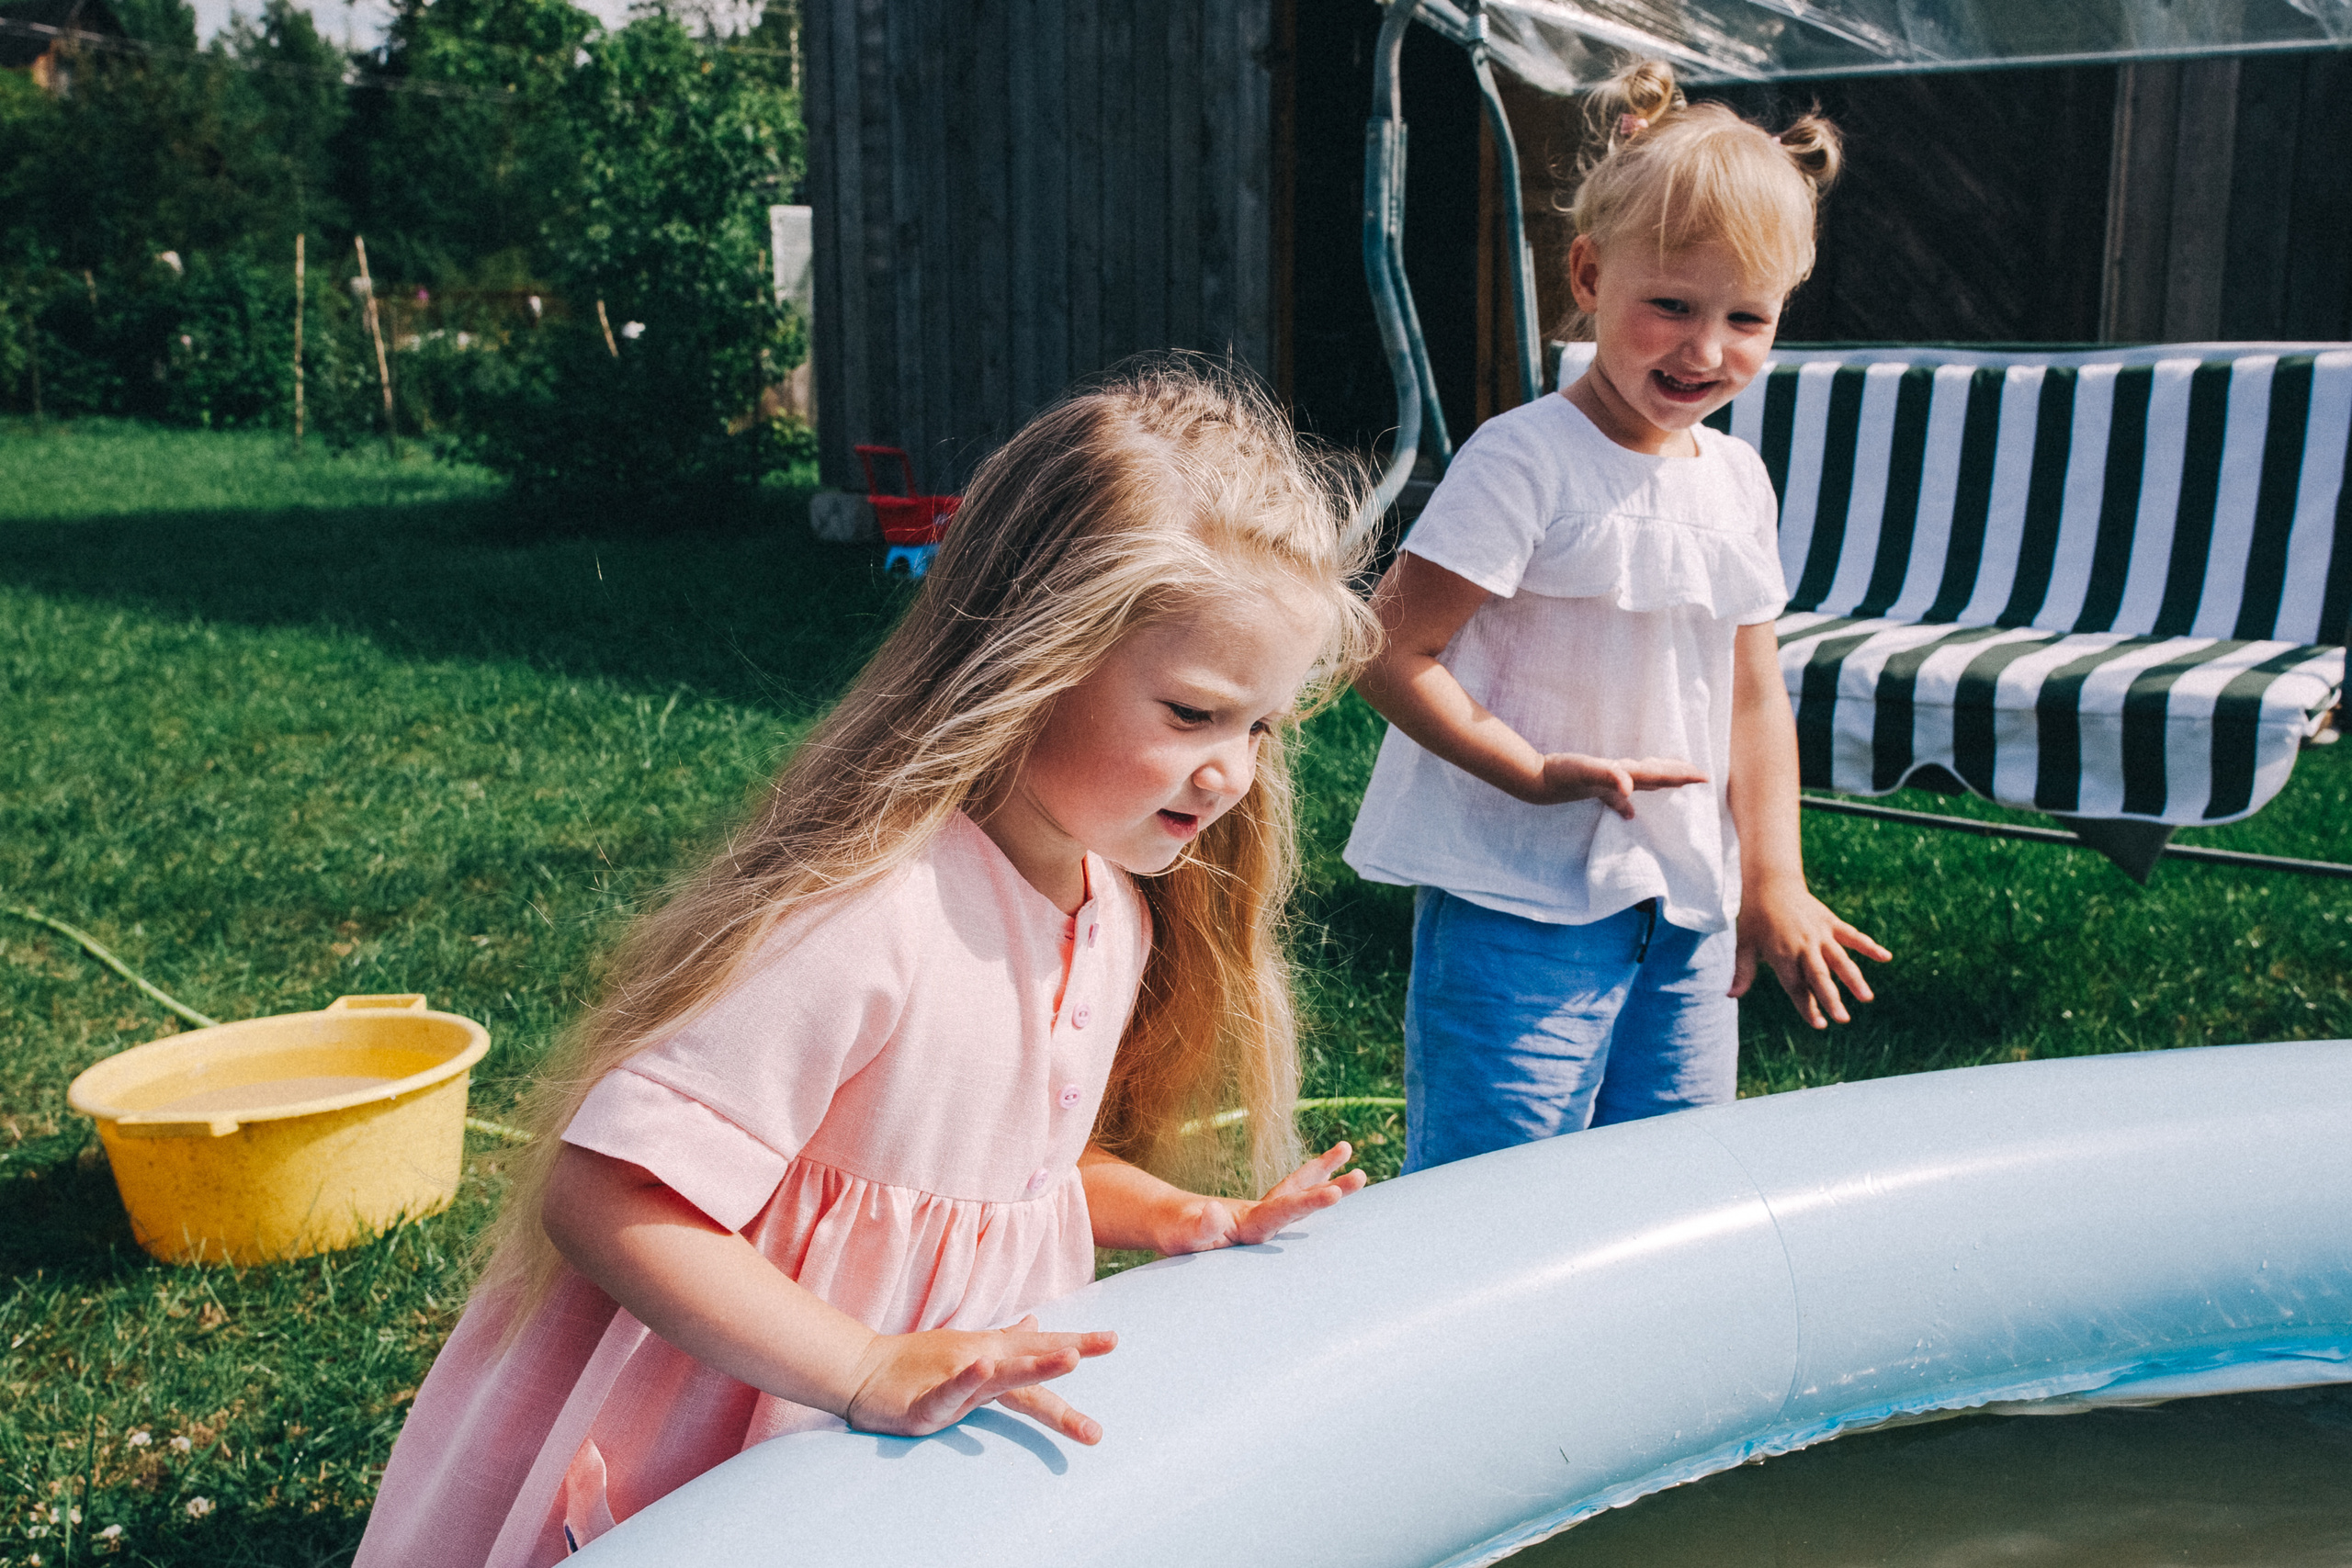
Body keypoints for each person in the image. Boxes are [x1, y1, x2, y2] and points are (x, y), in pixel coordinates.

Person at [356, 361, 1382, 1566]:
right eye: (1192, 714)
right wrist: (860, 1364)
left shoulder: (1113, 911)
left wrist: (1180, 1214)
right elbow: (603, 1193)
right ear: (1031, 656)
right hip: (718, 1438)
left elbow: (1011, 1177)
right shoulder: (871, 915)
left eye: (1261, 725)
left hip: (890, 1448)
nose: (1234, 773)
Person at [1344, 62, 1890, 1176]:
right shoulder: (1525, 461)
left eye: (1746, 318)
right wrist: (1529, 771)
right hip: (1516, 899)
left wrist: (1771, 879)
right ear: (1589, 276)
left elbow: (1753, 698)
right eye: (1671, 307)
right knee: (1498, 1182)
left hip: (1685, 906)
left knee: (1671, 1177)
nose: (1704, 351)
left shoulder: (1736, 481)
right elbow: (1389, 651)